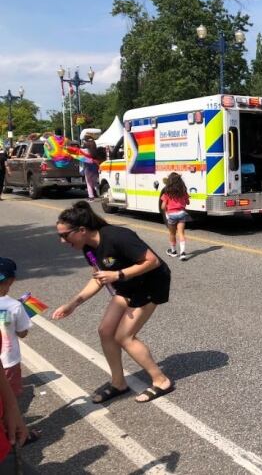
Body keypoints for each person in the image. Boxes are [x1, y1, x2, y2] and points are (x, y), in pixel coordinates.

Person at [52, 201, 174, 403]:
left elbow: (152, 261)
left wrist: (117, 274)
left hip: (150, 283)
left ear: (82, 230)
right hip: (127, 283)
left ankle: (161, 381)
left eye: (64, 235)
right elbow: (98, 278)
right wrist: (72, 304)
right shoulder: (88, 246)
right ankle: (119, 383)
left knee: (124, 336)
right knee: (105, 331)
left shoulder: (117, 236)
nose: (62, 241)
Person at [0, 258, 40, 445]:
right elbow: (22, 333)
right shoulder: (15, 306)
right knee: (10, 400)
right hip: (8, 362)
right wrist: (25, 311)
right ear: (10, 281)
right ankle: (15, 434)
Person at [160, 173, 191, 261]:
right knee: (181, 233)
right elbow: (187, 202)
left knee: (172, 234)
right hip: (181, 213)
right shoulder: (183, 191)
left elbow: (162, 206)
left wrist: (166, 208)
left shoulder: (167, 193)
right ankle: (183, 253)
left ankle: (173, 252)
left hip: (172, 215)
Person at [82, 135, 101, 201]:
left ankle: (91, 196)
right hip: (95, 166)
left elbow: (79, 155)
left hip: (88, 167)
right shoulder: (95, 149)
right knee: (95, 182)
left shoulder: (84, 150)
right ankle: (100, 194)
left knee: (89, 182)